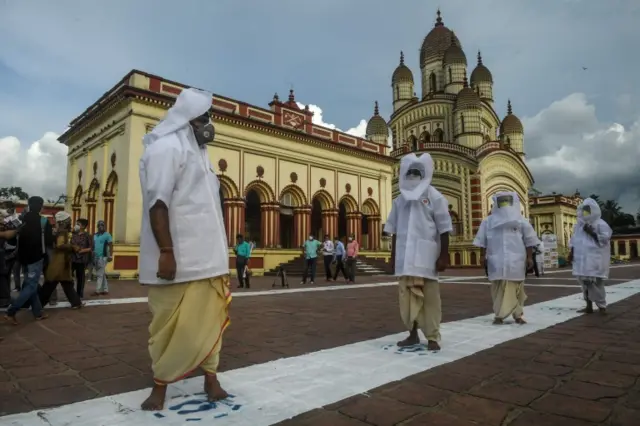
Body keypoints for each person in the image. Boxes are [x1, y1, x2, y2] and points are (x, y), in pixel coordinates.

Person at [138, 87, 231, 410]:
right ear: (189, 119)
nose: (209, 124)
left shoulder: (200, 156)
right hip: (176, 257)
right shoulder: (166, 148)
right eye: (205, 118)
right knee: (165, 326)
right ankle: (160, 385)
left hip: (209, 260)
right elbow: (157, 202)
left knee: (209, 321)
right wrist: (166, 251)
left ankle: (211, 377)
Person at [384, 153, 452, 351]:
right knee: (407, 298)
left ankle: (432, 336)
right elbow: (394, 230)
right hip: (405, 257)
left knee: (430, 298)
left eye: (416, 172)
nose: (413, 176)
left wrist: (444, 254)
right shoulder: (399, 200)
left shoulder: (434, 196)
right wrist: (393, 257)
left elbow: (444, 227)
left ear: (423, 174)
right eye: (410, 172)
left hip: (427, 255)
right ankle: (412, 334)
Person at [473, 192, 539, 325]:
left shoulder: (521, 221)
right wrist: (482, 256)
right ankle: (499, 315)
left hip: (516, 259)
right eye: (501, 201)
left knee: (516, 287)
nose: (504, 204)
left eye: (506, 201)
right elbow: (482, 240)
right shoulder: (488, 221)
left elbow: (529, 240)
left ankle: (518, 314)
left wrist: (530, 257)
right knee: (497, 287)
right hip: (496, 259)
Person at [4, 196, 52, 324]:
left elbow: (13, 239)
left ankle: (38, 312)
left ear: (29, 205)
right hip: (36, 257)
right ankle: (11, 312)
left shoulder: (21, 220)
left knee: (32, 284)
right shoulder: (44, 221)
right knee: (31, 286)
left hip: (22, 257)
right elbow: (48, 242)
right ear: (41, 206)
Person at [568, 198, 612, 315]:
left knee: (597, 282)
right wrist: (571, 252)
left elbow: (605, 240)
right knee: (584, 282)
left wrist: (592, 232)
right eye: (584, 210)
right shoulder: (579, 225)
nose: (585, 212)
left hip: (595, 259)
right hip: (581, 259)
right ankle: (589, 306)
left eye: (588, 210)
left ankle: (602, 306)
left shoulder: (601, 224)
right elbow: (574, 240)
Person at [39, 211, 84, 309]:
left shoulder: (60, 231)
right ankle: (38, 304)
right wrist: (73, 247)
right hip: (59, 261)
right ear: (64, 221)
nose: (71, 222)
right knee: (51, 283)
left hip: (61, 261)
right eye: (69, 220)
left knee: (65, 283)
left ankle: (76, 303)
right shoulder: (62, 232)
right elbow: (60, 245)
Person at [71, 218, 92, 298]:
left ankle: (79, 294)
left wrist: (81, 250)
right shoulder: (74, 234)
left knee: (80, 278)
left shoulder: (87, 236)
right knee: (69, 276)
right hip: (72, 258)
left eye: (78, 224)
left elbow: (90, 248)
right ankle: (71, 293)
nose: (76, 226)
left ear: (83, 226)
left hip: (82, 259)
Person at [92, 220, 112, 296]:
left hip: (104, 256)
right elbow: (93, 245)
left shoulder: (107, 235)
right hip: (96, 256)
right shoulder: (95, 235)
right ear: (97, 226)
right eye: (99, 225)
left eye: (102, 225)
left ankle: (97, 290)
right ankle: (105, 289)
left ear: (104, 226)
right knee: (102, 273)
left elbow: (110, 245)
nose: (101, 226)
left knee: (99, 274)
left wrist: (110, 255)